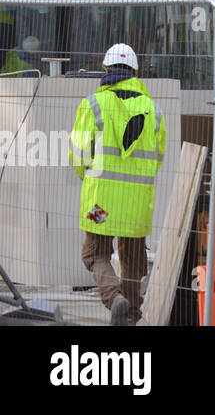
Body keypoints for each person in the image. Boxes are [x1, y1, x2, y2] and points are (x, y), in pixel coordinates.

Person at [68, 44, 167, 326]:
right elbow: (157, 159)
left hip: (101, 204)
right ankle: (132, 317)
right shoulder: (155, 112)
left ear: (106, 70)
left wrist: (89, 177)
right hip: (137, 204)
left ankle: (114, 299)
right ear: (135, 72)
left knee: (94, 254)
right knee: (133, 263)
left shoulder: (92, 105)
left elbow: (78, 154)